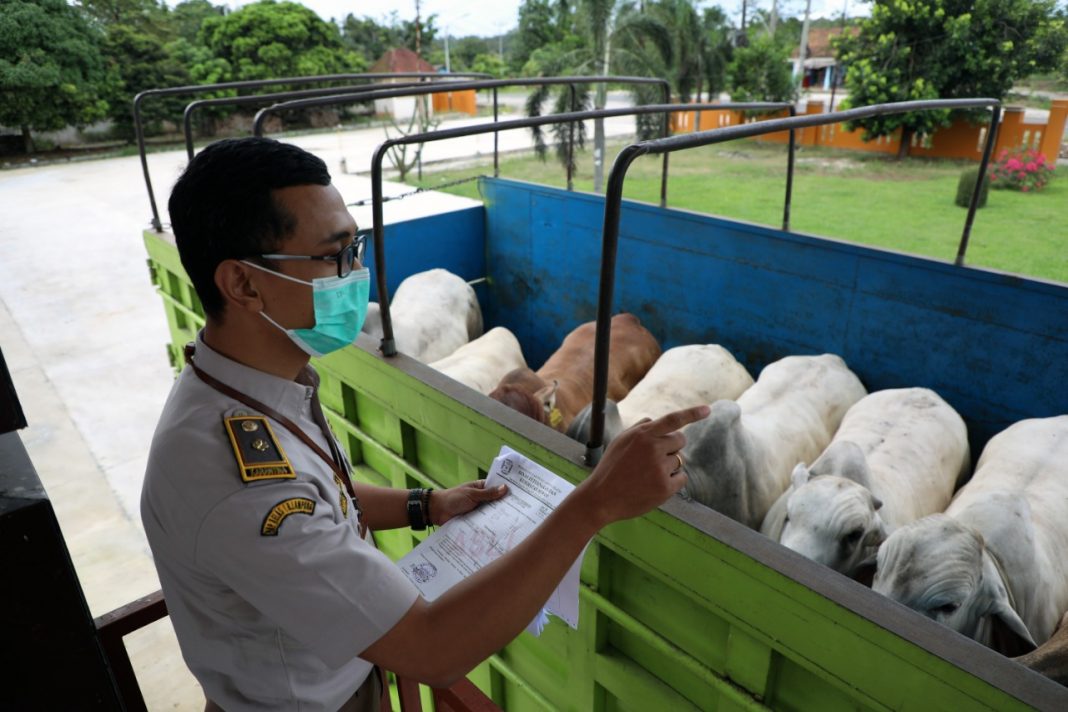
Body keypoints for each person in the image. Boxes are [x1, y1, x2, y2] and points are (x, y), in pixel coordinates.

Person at [140, 137, 708, 712]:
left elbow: (320, 495)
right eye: (335, 256)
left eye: (355, 248)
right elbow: (434, 648)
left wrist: (425, 505)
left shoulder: (254, 388)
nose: (356, 274)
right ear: (242, 284)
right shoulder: (235, 476)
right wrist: (595, 505)